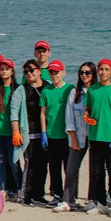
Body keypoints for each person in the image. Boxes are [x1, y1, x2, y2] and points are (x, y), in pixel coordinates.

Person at [53, 62, 96, 213]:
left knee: (95, 170)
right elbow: (69, 116)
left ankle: (92, 201)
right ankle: (68, 200)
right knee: (71, 169)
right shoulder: (74, 92)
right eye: (81, 72)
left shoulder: (97, 91)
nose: (84, 75)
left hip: (95, 136)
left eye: (87, 72)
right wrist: (73, 137)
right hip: (78, 135)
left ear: (93, 74)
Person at [84, 58, 111, 218]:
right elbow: (88, 109)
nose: (103, 72)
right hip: (95, 137)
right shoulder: (92, 90)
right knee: (97, 172)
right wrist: (87, 116)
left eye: (107, 69)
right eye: (101, 69)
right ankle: (100, 203)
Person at [10, 59, 50, 206]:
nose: (29, 74)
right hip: (29, 133)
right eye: (26, 72)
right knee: (30, 164)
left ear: (39, 71)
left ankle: (39, 194)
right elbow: (14, 113)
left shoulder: (47, 86)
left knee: (43, 164)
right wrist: (16, 132)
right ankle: (25, 195)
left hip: (45, 132)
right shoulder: (21, 90)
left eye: (32, 70)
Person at [0, 58, 21, 198]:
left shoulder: (18, 89)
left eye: (7, 69)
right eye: (2, 69)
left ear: (12, 71)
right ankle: (3, 189)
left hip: (12, 132)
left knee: (14, 162)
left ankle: (19, 189)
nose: (4, 71)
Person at [40, 60, 73, 207]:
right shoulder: (46, 90)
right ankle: (57, 196)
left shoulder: (70, 89)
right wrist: (43, 132)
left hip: (67, 136)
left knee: (69, 168)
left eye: (57, 72)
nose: (54, 75)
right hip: (51, 135)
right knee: (54, 168)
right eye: (51, 72)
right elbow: (43, 113)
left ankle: (70, 196)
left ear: (63, 72)